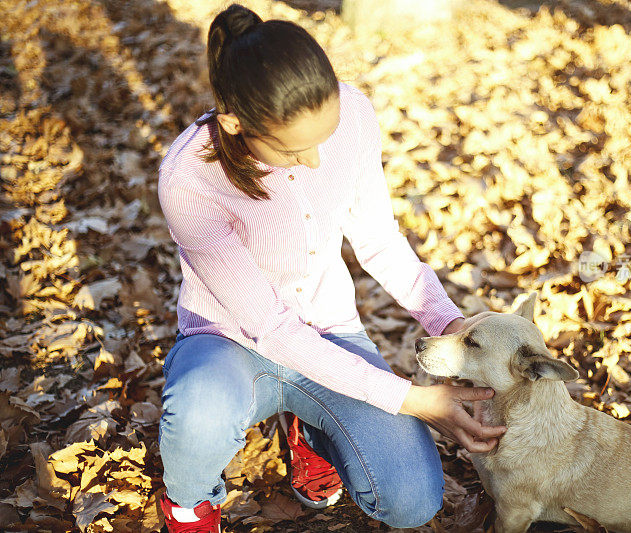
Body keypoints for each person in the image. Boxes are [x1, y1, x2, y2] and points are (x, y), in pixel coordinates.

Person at [156, 5, 506, 532]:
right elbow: (271, 329)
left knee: (413, 502)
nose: (318, 161)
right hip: (228, 341)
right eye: (294, 150)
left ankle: (311, 428)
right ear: (235, 123)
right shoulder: (190, 178)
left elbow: (379, 239)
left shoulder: (356, 113)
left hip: (330, 331)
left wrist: (449, 325)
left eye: (327, 135)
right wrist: (412, 399)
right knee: (198, 413)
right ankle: (191, 502)